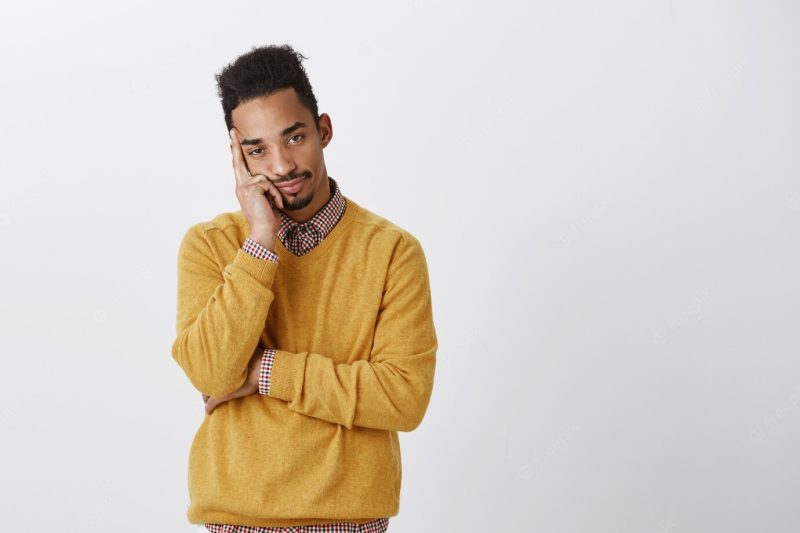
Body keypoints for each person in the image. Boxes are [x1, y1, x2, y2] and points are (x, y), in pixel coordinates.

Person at [170, 43, 438, 532]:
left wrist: (267, 371)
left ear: (324, 130)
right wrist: (260, 242)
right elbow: (213, 373)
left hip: (348, 520)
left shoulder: (393, 251)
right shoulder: (210, 245)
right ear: (238, 156)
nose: (281, 165)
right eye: (258, 149)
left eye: (294, 138)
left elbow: (404, 397)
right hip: (235, 519)